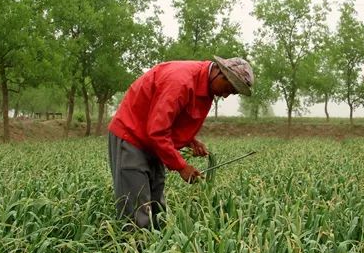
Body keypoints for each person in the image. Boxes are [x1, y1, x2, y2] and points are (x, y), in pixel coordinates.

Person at [108, 56, 254, 228]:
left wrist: (190, 140)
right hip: (132, 136)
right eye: (229, 88)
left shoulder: (206, 86)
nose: (226, 95)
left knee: (157, 207)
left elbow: (174, 118)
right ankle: (132, 251)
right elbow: (157, 130)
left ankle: (155, 250)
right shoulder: (180, 81)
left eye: (232, 93)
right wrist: (181, 166)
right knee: (136, 209)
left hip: (153, 142)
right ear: (220, 73)